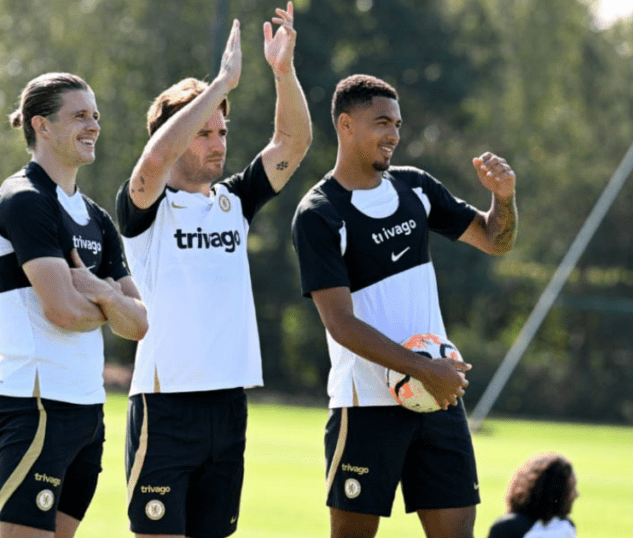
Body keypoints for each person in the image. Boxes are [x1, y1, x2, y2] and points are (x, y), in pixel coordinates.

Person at [290, 74, 518, 538]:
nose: (394, 134)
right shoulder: (319, 213)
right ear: (346, 125)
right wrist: (422, 368)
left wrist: (504, 199)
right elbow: (340, 324)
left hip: (438, 399)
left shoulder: (415, 188)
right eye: (381, 122)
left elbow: (496, 240)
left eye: (397, 123)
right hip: (366, 406)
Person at [115, 4, 312, 537]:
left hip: (228, 405)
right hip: (165, 404)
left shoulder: (234, 201)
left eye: (223, 130)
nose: (219, 142)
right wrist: (222, 80)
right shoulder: (145, 209)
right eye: (205, 132)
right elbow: (152, 164)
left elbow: (293, 145)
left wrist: (282, 72)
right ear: (176, 135)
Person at [0, 72, 148, 538]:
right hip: (35, 404)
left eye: (95, 116)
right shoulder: (25, 200)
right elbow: (61, 311)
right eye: (79, 116)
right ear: (42, 126)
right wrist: (112, 303)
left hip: (87, 411)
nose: (93, 125)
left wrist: (97, 291)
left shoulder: (96, 218)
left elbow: (138, 325)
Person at [487, 453, 579, 538]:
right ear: (556, 492)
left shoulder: (505, 527)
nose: (576, 494)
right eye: (571, 488)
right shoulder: (565, 528)